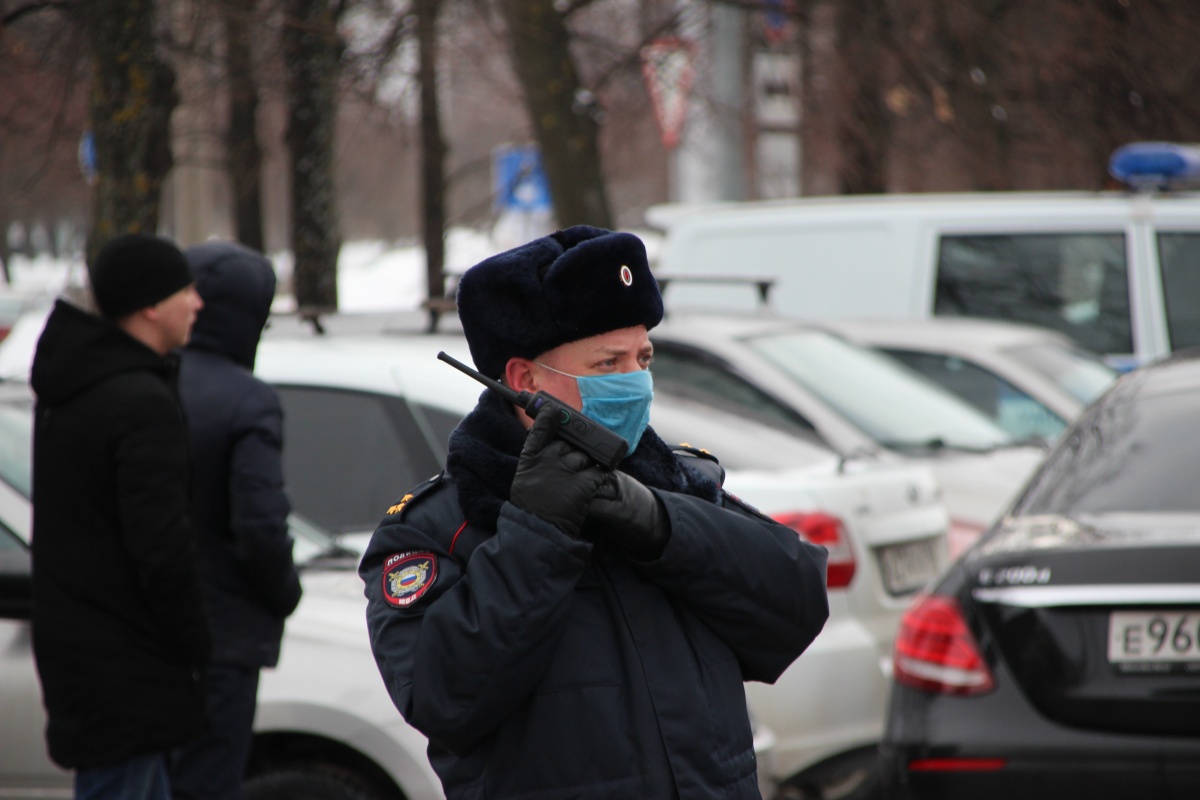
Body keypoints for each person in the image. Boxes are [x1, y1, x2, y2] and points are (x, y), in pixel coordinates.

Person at [360, 225, 830, 799]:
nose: (635, 382)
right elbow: (445, 699)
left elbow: (798, 604)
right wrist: (537, 531)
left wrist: (662, 525)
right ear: (524, 381)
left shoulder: (677, 480)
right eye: (608, 365)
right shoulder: (437, 528)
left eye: (643, 357)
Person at [30, 233, 210, 800]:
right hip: (128, 667)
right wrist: (196, 642)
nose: (198, 303)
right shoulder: (138, 402)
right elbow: (161, 547)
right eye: (186, 290)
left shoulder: (78, 388)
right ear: (151, 305)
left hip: (90, 660)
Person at [170, 242, 303, 800]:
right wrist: (284, 595)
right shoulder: (246, 400)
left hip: (140, 634)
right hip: (222, 636)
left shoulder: (141, 382)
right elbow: (259, 526)